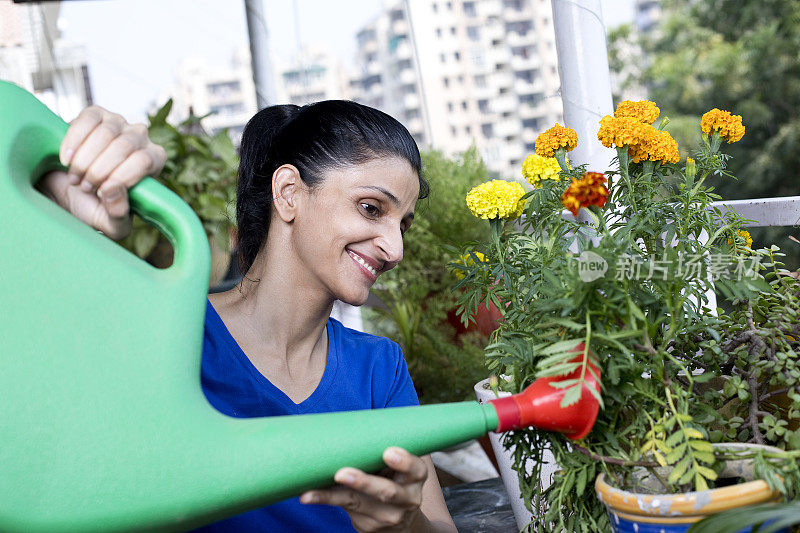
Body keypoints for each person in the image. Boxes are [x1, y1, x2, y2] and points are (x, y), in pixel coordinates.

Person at [36, 102, 458, 533]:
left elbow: (440, 526)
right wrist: (53, 185)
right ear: (289, 192)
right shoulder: (174, 337)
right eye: (371, 208)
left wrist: (407, 525)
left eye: (402, 225)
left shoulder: (378, 369)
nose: (395, 248)